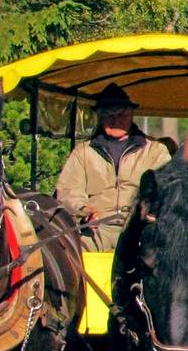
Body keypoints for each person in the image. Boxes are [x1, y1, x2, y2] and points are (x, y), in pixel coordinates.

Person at [56, 84, 172, 252]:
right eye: (108, 115)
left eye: (121, 114)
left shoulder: (155, 151)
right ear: (100, 118)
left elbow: (166, 190)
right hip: (95, 230)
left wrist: (145, 214)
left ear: (131, 115)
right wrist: (83, 210)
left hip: (139, 228)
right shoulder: (83, 152)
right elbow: (68, 191)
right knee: (68, 254)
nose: (115, 120)